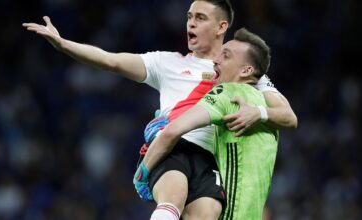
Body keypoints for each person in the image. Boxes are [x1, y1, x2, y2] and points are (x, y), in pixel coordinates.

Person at [22, 0, 297, 219]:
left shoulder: (241, 67)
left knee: (207, 214)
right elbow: (111, 61)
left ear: (220, 26)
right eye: (189, 16)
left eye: (200, 18)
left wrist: (258, 113)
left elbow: (288, 116)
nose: (190, 22)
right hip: (172, 146)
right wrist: (64, 44)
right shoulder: (167, 63)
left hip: (210, 161)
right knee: (173, 198)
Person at [136, 27, 279, 220]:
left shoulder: (224, 94)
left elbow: (174, 129)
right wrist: (260, 113)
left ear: (246, 70)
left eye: (226, 56)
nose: (216, 60)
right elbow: (292, 118)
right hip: (245, 210)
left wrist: (143, 171)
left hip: (232, 210)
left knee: (174, 201)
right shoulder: (270, 109)